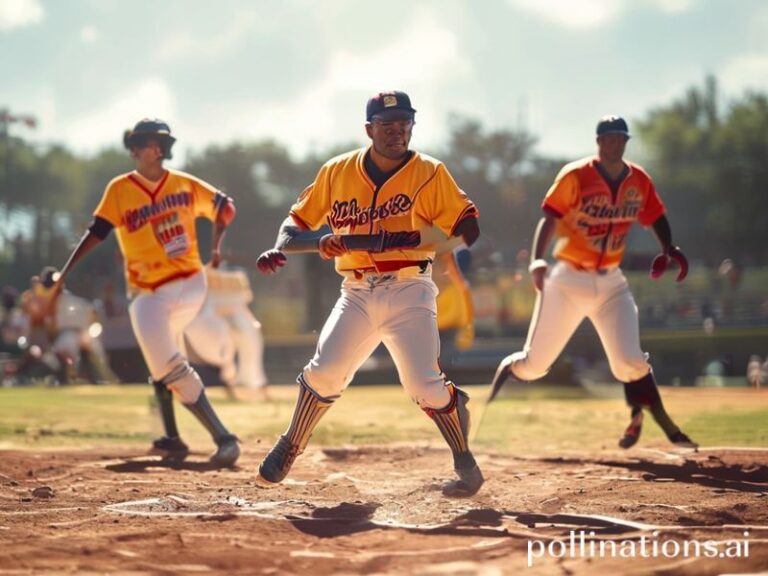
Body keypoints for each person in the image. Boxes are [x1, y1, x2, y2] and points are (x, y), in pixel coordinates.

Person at [255, 91, 484, 496]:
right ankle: (290, 444)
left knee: (425, 385)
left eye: (404, 123)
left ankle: (464, 458)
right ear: (369, 129)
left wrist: (412, 238)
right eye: (386, 124)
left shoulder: (430, 172)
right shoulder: (337, 171)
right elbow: (293, 227)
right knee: (325, 370)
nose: (397, 131)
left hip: (410, 288)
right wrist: (308, 244)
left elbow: (469, 229)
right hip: (357, 290)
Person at [488, 116, 698, 450]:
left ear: (626, 142)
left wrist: (668, 247)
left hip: (612, 281)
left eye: (621, 139)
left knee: (630, 361)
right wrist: (537, 260)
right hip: (568, 280)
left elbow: (655, 216)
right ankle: (500, 384)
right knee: (534, 366)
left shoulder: (638, 179)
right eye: (609, 138)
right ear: (599, 142)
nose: (615, 144)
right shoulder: (576, 175)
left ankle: (653, 422)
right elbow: (550, 218)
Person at [48, 118, 240, 466]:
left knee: (165, 361)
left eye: (158, 142)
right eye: (148, 141)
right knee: (161, 359)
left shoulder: (183, 183)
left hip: (189, 282)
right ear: (134, 149)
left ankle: (224, 437)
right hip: (147, 290)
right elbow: (98, 231)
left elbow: (225, 207)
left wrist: (216, 246)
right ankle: (172, 437)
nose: (154, 147)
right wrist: (65, 271)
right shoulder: (121, 189)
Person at [434, 247, 475, 373]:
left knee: (441, 360)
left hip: (445, 326)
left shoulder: (457, 288)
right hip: (444, 326)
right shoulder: (458, 287)